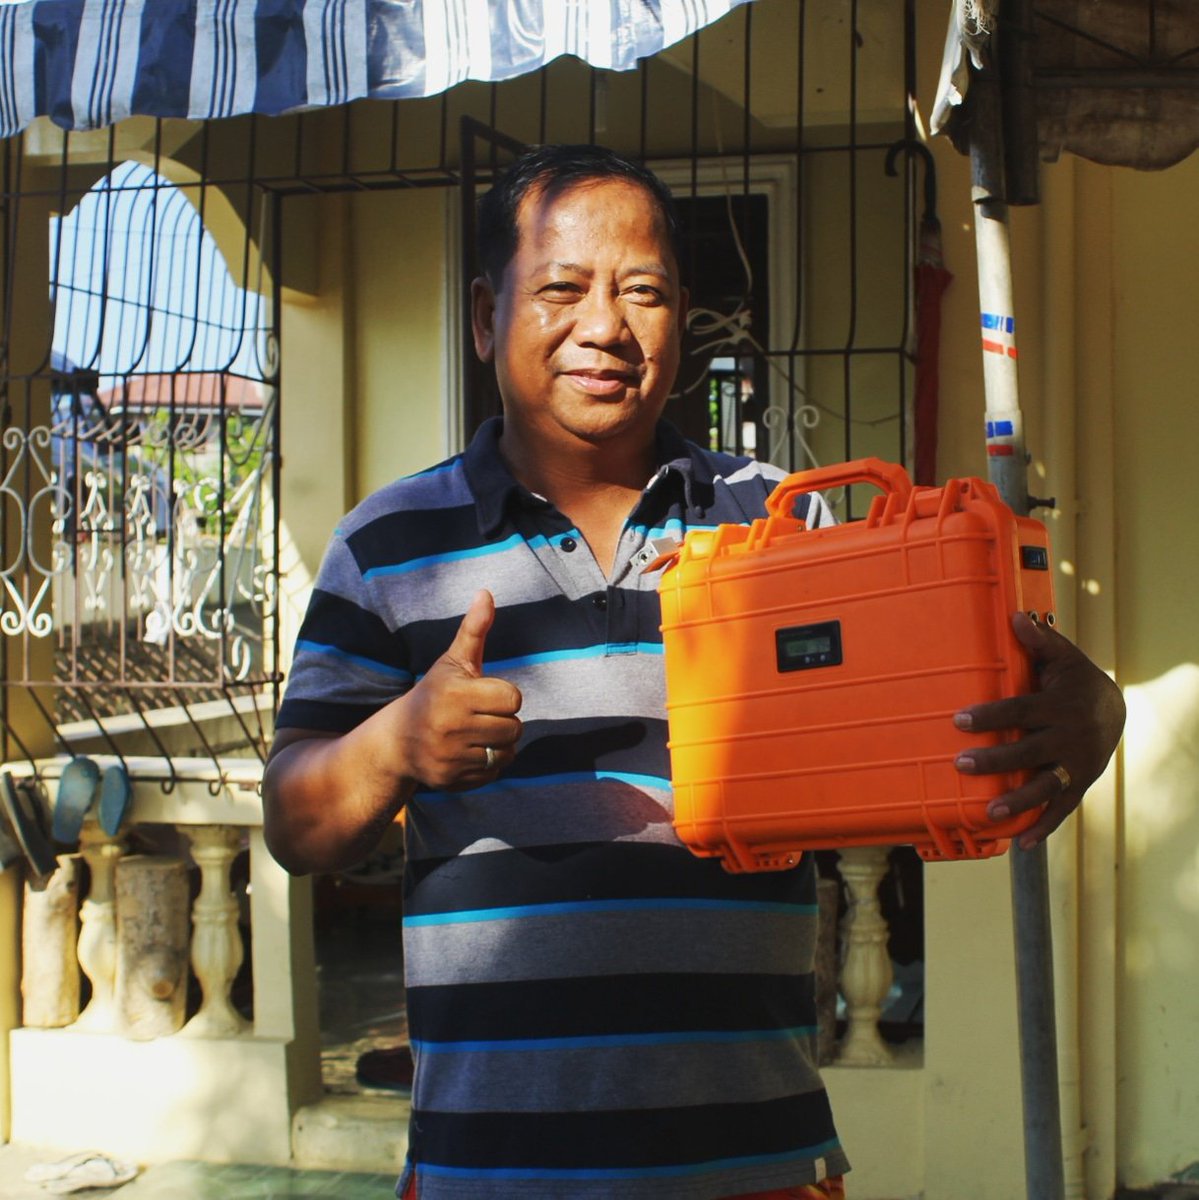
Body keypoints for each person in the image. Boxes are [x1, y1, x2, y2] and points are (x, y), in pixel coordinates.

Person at [263, 144, 1126, 1200]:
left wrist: (1085, 714)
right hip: (493, 1167)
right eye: (562, 288)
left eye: (644, 293)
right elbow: (293, 825)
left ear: (683, 321)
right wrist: (394, 744)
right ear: (486, 315)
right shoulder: (392, 544)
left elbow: (915, 736)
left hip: (752, 1156)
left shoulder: (782, 519)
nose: (606, 328)